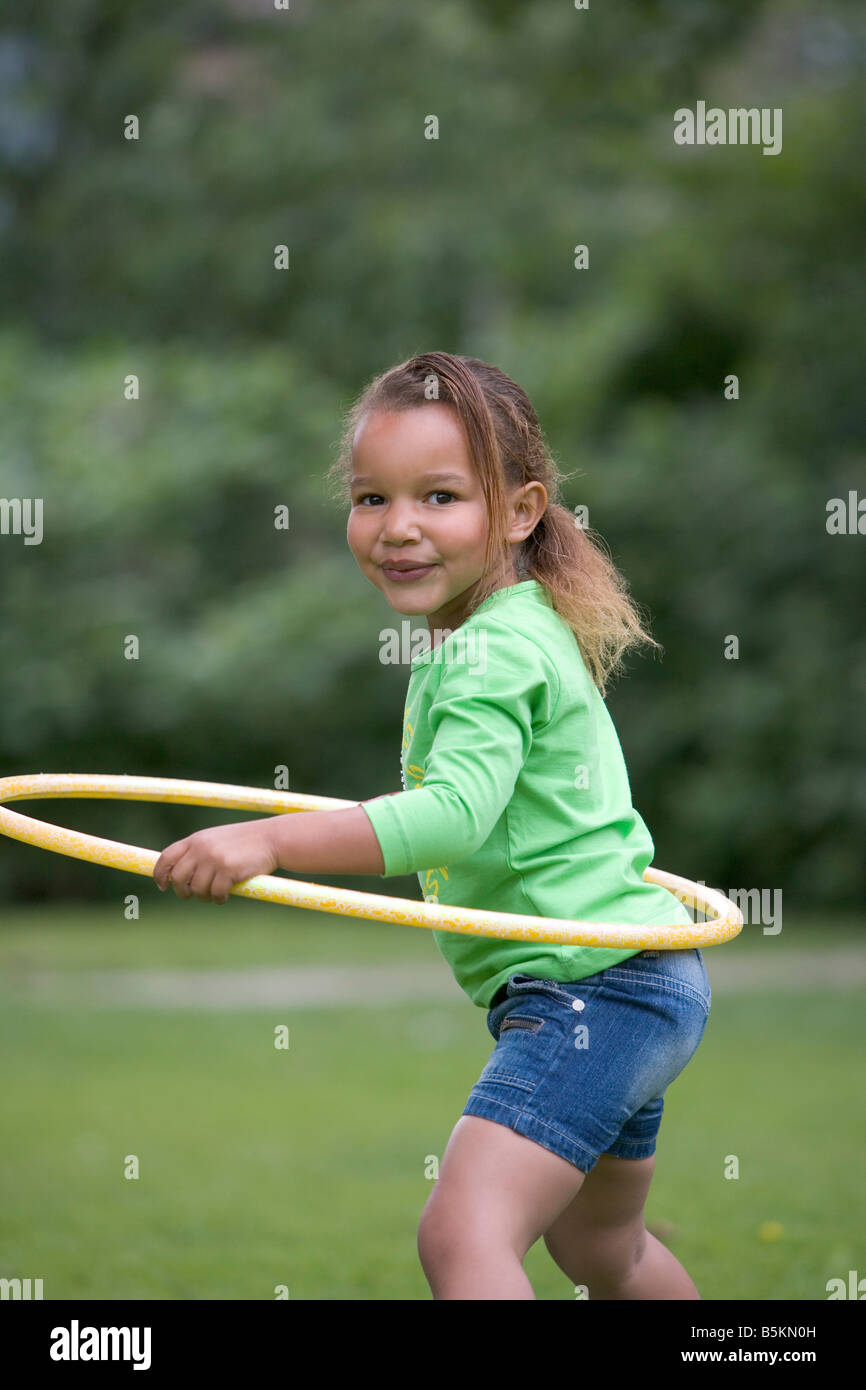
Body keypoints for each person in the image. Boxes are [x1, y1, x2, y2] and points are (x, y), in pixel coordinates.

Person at [153, 351, 712, 1301]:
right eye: (372, 499)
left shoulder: (491, 648)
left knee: (463, 1237)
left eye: (441, 497)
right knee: (601, 1255)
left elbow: (452, 817)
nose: (398, 528)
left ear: (521, 512)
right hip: (643, 980)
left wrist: (269, 840)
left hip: (591, 990)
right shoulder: (508, 625)